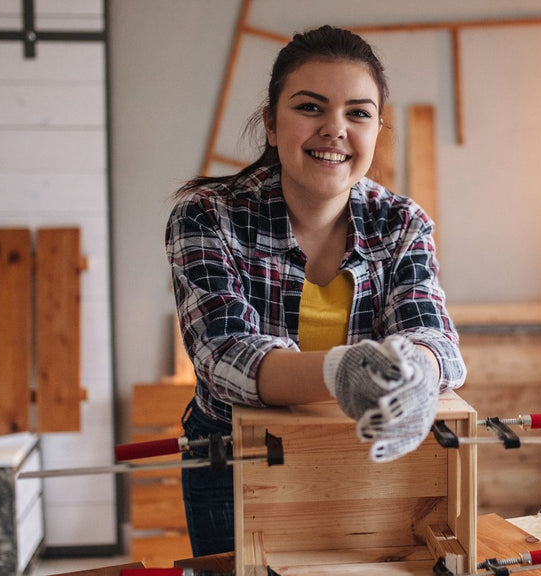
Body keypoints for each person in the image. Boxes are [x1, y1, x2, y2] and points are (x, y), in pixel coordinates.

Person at [165, 25, 466, 557]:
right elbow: (223, 356)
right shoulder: (207, 215)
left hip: (358, 457)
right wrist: (342, 370)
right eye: (310, 107)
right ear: (272, 126)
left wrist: (420, 372)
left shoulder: (401, 223)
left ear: (376, 130)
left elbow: (432, 335)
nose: (335, 129)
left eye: (358, 112)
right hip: (233, 460)